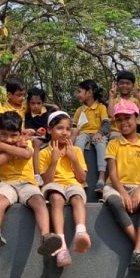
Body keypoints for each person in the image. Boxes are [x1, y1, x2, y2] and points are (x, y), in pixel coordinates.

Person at [0, 112, 61, 257]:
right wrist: (15, 148)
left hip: (27, 183)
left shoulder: (26, 143)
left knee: (39, 201)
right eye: (4, 135)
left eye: (13, 136)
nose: (9, 139)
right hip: (7, 183)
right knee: (0, 199)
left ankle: (46, 235)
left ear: (20, 134)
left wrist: (4, 146)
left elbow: (26, 154)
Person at [101, 99, 140, 271]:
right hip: (115, 186)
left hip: (138, 186)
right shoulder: (113, 144)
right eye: (119, 119)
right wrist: (124, 193)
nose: (123, 122)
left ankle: (137, 250)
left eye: (127, 118)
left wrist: (138, 192)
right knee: (114, 201)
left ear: (138, 119)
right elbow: (112, 173)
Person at [39, 111, 91, 267]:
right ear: (50, 130)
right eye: (60, 128)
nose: (65, 132)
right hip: (53, 185)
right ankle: (61, 246)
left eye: (68, 129)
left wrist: (74, 159)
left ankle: (81, 232)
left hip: (73, 184)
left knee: (77, 197)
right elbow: (47, 181)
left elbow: (82, 178)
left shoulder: (76, 151)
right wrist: (54, 160)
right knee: (56, 198)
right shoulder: (44, 153)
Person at [71, 79, 109, 188]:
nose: (77, 95)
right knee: (79, 143)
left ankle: (101, 177)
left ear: (89, 92)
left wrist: (100, 133)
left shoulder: (101, 107)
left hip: (97, 133)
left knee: (101, 144)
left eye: (79, 91)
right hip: (83, 133)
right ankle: (81, 176)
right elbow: (74, 125)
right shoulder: (79, 110)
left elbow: (106, 123)